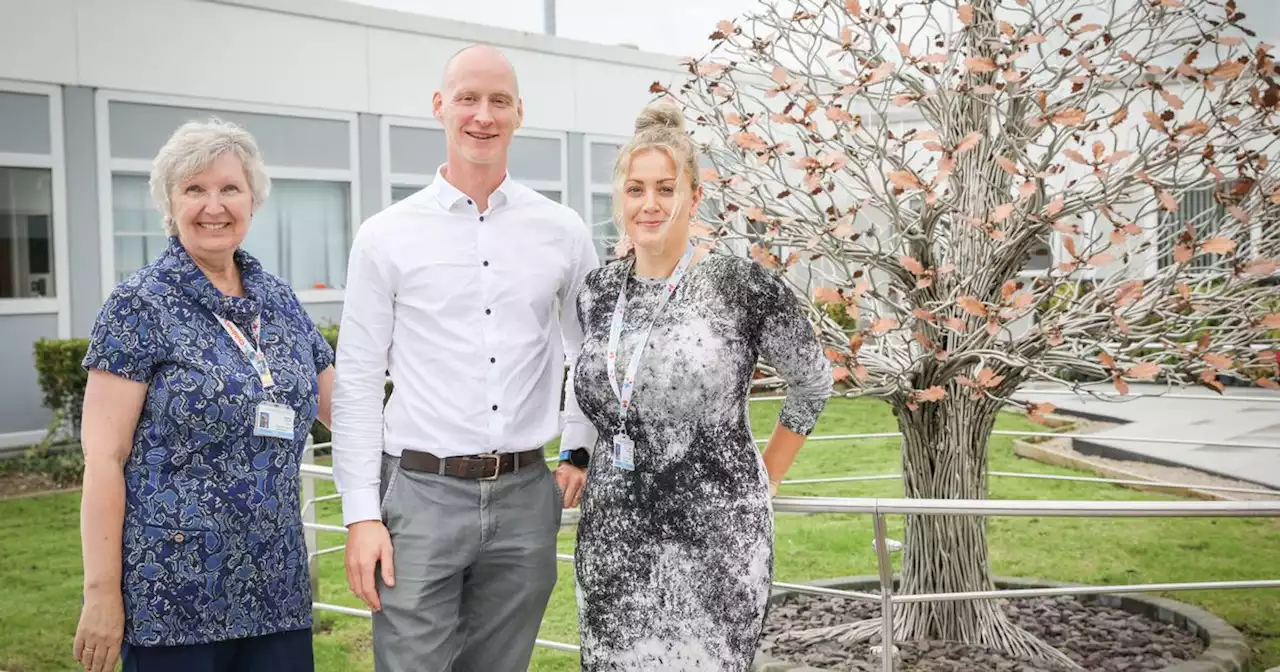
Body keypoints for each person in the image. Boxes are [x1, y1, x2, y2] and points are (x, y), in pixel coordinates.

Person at [330, 44, 598, 671]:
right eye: (468, 99)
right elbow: (361, 380)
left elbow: (589, 349)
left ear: (518, 113)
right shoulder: (384, 235)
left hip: (527, 496)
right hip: (419, 496)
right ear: (439, 106)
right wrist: (361, 516)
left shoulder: (562, 230)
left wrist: (578, 448)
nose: (483, 115)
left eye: (498, 101)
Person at [570, 101, 834, 671]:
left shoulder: (740, 285)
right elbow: (608, 392)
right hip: (613, 542)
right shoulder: (597, 292)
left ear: (694, 195)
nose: (650, 204)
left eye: (666, 188)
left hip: (717, 542)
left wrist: (769, 474)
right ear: (619, 198)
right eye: (636, 189)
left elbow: (813, 383)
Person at [72, 118, 336, 672]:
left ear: (253, 200)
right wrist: (101, 592)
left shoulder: (279, 301)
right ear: (170, 205)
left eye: (229, 188)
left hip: (276, 589)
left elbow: (346, 411)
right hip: (172, 597)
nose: (213, 205)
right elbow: (104, 457)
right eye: (194, 189)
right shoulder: (138, 305)